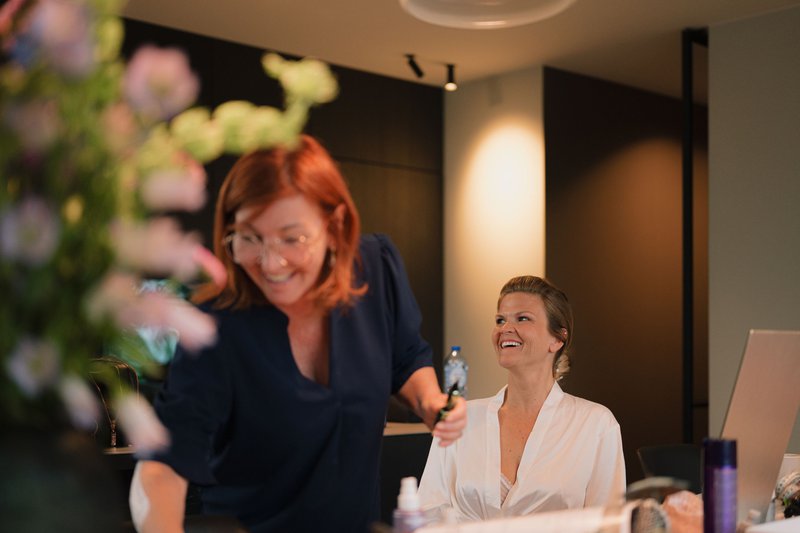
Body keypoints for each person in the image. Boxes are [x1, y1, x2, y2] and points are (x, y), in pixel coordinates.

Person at [129, 135, 466, 533]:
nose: (271, 263)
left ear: (335, 226)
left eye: (292, 238)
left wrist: (430, 402)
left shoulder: (373, 271)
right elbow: (162, 469)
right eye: (250, 237)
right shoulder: (216, 328)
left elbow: (406, 357)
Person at [417, 275, 625, 523]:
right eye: (500, 320)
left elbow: (609, 522)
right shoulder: (460, 419)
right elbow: (427, 510)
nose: (505, 328)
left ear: (557, 339)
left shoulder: (596, 424)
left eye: (522, 318)